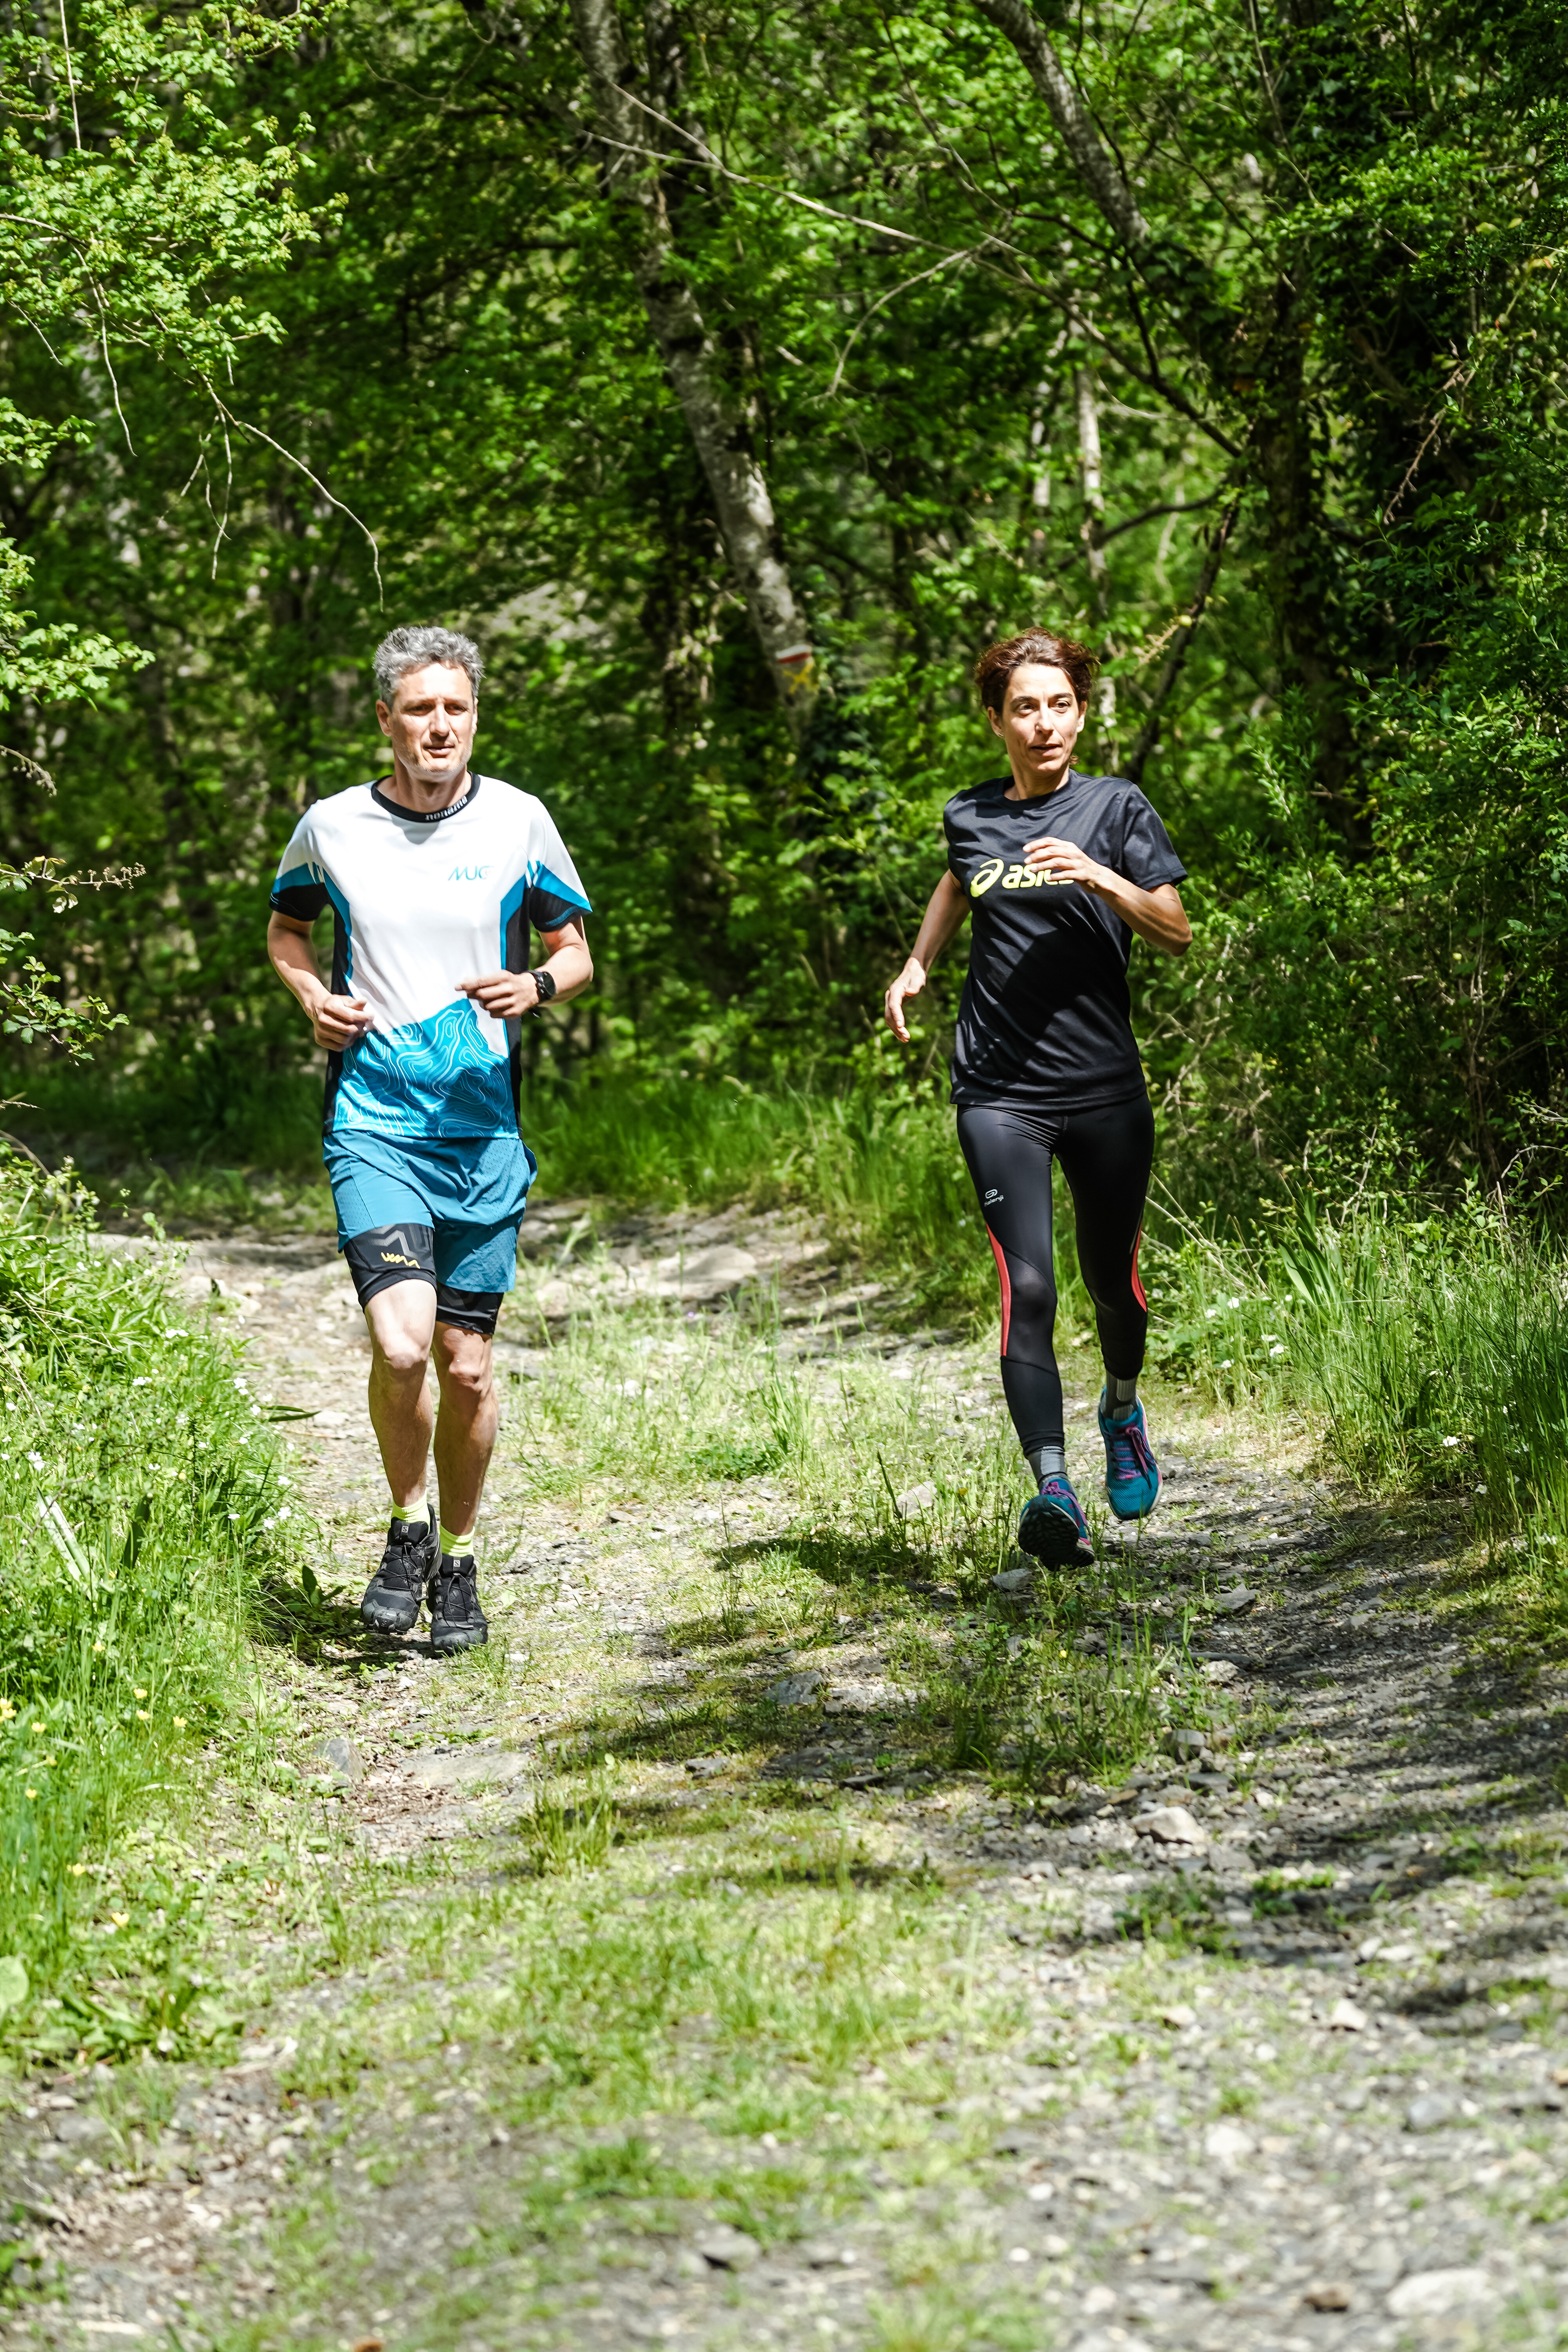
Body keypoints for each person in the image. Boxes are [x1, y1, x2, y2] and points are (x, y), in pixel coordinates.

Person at [266, 625, 593, 1650]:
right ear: (385, 721)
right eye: (419, 709)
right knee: (401, 1343)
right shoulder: (331, 827)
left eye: (455, 708)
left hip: (483, 1134)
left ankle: (458, 1557)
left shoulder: (520, 822)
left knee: (465, 1366)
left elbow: (574, 951)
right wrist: (311, 994)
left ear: (475, 717)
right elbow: (287, 930)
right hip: (374, 1123)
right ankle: (405, 1527)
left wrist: (534, 986)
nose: (439, 726)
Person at [883, 628, 1191, 1566]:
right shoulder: (969, 816)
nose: (1043, 721)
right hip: (997, 1089)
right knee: (1027, 1284)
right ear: (996, 721)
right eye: (1024, 706)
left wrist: (1100, 876)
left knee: (1113, 1284)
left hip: (1103, 1088)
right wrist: (915, 962)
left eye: (1059, 704)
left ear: (1081, 713)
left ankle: (1122, 1409)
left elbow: (1175, 930)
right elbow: (957, 881)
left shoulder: (1115, 807)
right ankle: (1052, 1489)